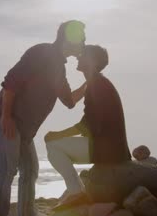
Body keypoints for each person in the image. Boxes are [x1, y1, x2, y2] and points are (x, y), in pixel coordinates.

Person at [0, 20, 87, 216]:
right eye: (82, 38)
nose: (84, 43)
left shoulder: (59, 68)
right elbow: (11, 81)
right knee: (7, 170)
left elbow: (68, 101)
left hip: (26, 129)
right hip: (7, 118)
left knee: (31, 169)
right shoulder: (41, 52)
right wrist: (6, 116)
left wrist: (89, 84)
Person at [45, 45, 131, 206]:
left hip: (106, 149)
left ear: (93, 61)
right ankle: (77, 191)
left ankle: (77, 192)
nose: (78, 57)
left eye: (82, 55)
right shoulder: (96, 82)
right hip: (110, 148)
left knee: (53, 145)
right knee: (54, 144)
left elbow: (88, 125)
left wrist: (57, 134)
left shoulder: (97, 84)